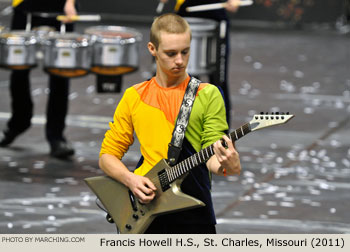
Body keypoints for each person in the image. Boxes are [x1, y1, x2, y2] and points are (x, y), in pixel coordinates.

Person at [99, 13, 241, 234]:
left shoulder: (207, 94)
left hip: (194, 208)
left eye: (185, 52)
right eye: (171, 53)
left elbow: (212, 154)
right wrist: (131, 180)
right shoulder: (134, 96)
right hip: (143, 205)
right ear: (152, 49)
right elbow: (107, 156)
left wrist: (227, 165)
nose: (180, 61)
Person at [0, 0, 77, 158]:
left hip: (60, 10)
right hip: (25, 8)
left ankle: (56, 136)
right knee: (19, 69)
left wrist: (70, 3)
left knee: (60, 73)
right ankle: (18, 123)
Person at [160, 0, 240, 126]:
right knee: (184, 79)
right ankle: (181, 134)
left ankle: (222, 136)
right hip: (186, 16)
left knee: (219, 80)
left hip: (216, 19)